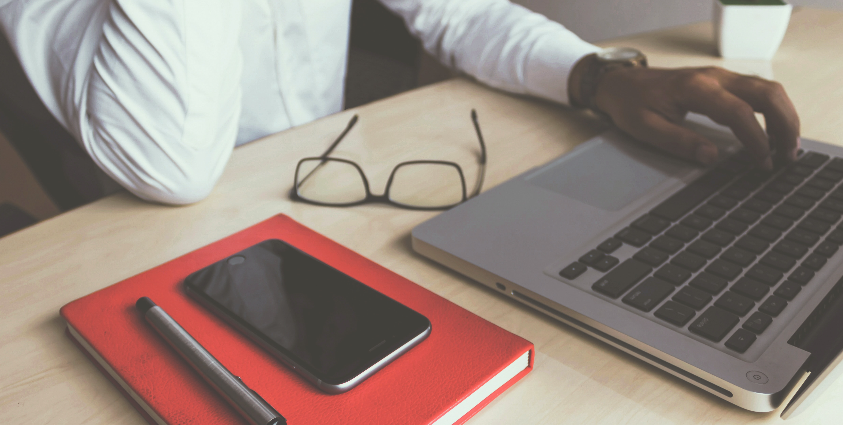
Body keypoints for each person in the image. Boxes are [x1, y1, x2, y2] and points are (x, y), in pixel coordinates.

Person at [0, 0, 799, 205]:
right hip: (143, 244)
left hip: (327, 192)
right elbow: (168, 165)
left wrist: (595, 76)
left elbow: (456, 12)